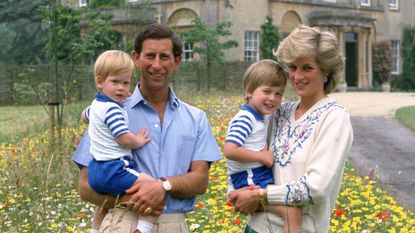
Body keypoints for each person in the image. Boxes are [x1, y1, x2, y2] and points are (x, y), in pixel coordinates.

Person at [72, 23, 222, 233]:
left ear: (177, 61)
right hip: (122, 220)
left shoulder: (196, 118)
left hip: (174, 225)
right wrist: (132, 199)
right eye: (150, 56)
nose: (157, 65)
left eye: (164, 57)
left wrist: (162, 186)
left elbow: (200, 180)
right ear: (136, 58)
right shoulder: (109, 110)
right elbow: (86, 186)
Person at [228, 25, 354, 233]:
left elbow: (316, 188)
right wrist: (236, 192)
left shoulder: (333, 117)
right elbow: (245, 153)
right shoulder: (279, 111)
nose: (296, 76)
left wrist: (260, 195)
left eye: (307, 67)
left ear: (326, 71)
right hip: (256, 227)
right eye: (293, 67)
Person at [223, 59, 302, 233]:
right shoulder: (245, 118)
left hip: (255, 174)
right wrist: (262, 157)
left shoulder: (260, 117)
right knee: (290, 212)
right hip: (249, 176)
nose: (272, 98)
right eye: (266, 91)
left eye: (278, 94)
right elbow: (229, 150)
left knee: (284, 207)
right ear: (249, 92)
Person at [81, 50, 156, 233]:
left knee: (105, 205)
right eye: (115, 82)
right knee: (151, 187)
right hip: (114, 168)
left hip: (96, 171)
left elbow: (84, 116)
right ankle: (144, 228)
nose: (121, 88)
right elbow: (123, 138)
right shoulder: (112, 110)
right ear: (99, 82)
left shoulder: (96, 106)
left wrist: (121, 98)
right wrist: (138, 139)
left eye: (125, 83)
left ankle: (95, 229)